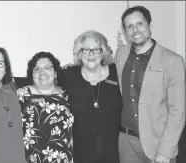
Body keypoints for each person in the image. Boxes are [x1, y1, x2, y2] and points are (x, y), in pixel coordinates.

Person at [114, 5, 185, 163]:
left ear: (150, 25)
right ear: (125, 31)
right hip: (126, 142)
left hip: (158, 142)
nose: (135, 30)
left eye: (140, 24)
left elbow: (178, 111)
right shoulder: (121, 53)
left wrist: (165, 152)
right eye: (129, 26)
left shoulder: (172, 61)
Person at [61, 30, 122, 163]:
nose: (91, 54)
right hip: (81, 150)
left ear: (103, 52)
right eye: (86, 50)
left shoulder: (116, 73)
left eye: (96, 49)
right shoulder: (68, 75)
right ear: (79, 53)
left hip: (113, 149)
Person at [16, 52, 74, 163]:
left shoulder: (66, 95)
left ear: (55, 72)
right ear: (31, 74)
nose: (42, 72)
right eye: (37, 69)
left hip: (64, 159)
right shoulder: (22, 95)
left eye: (47, 68)